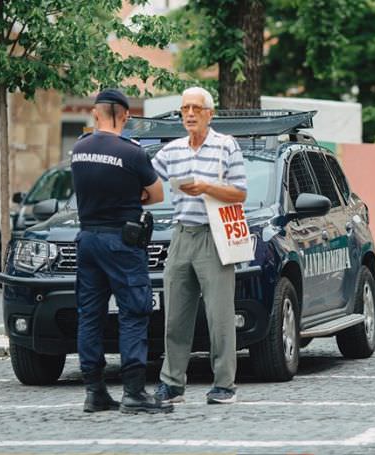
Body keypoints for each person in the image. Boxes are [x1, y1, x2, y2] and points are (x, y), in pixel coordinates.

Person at [71, 89, 171, 414]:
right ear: (125, 116)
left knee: (89, 314)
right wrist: (133, 195)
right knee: (133, 313)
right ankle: (133, 392)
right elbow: (156, 195)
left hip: (87, 240)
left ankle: (93, 391)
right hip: (122, 242)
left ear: (95, 114)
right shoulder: (132, 153)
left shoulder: (79, 149)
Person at [152, 87, 248, 404]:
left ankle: (224, 385)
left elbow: (240, 193)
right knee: (175, 315)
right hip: (181, 235)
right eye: (184, 109)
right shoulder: (172, 150)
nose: (190, 114)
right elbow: (148, 180)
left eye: (196, 108)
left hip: (214, 234)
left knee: (219, 316)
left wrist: (206, 187)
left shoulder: (226, 146)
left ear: (210, 113)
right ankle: (172, 383)